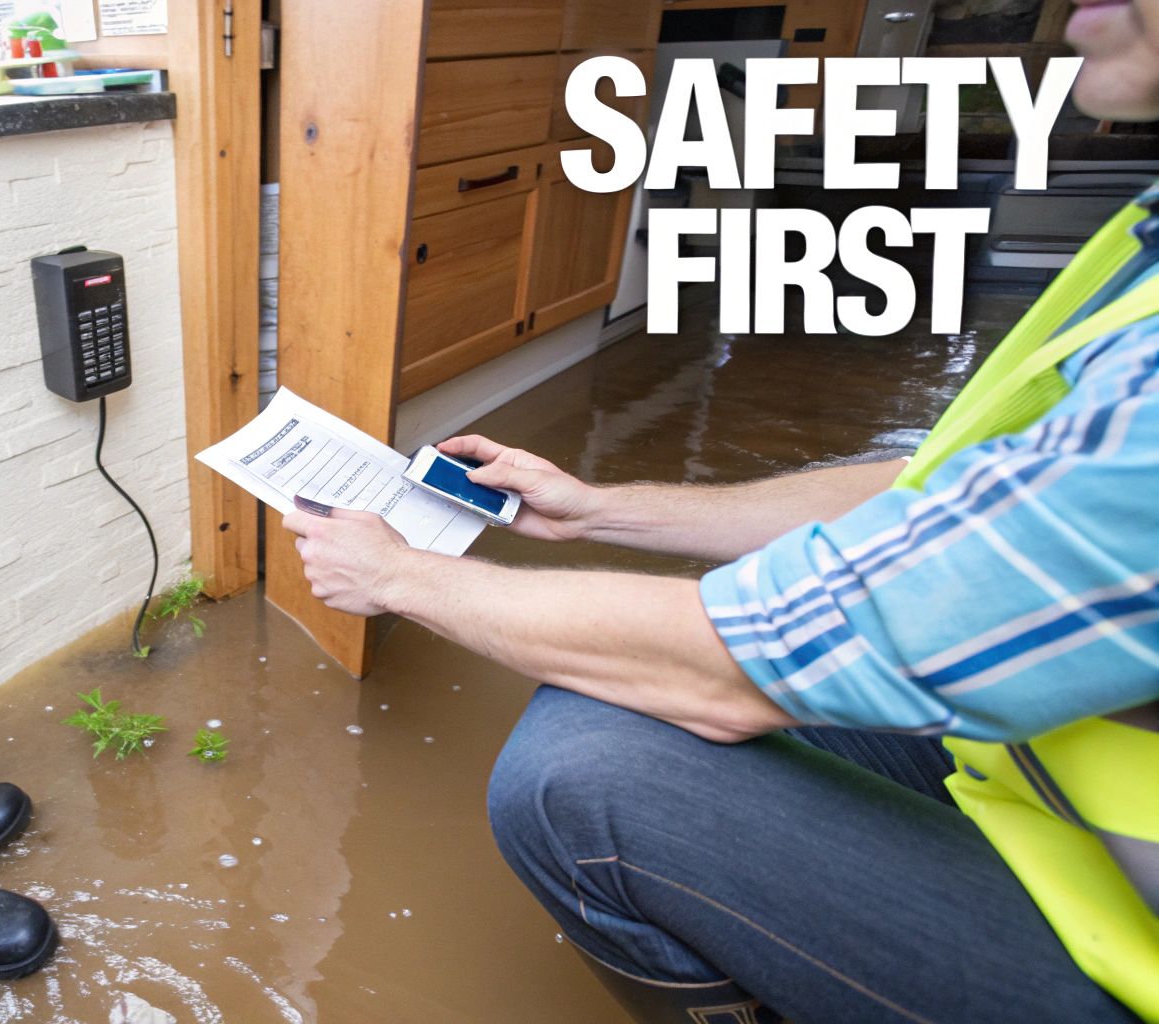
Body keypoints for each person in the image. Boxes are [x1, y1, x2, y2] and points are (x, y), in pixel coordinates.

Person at [282, 3, 1159, 1021]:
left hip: (1127, 934)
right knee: (599, 702)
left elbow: (727, 673)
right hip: (1038, 777)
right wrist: (595, 509)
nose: (1080, 11)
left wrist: (400, 579)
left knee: (579, 778)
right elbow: (944, 486)